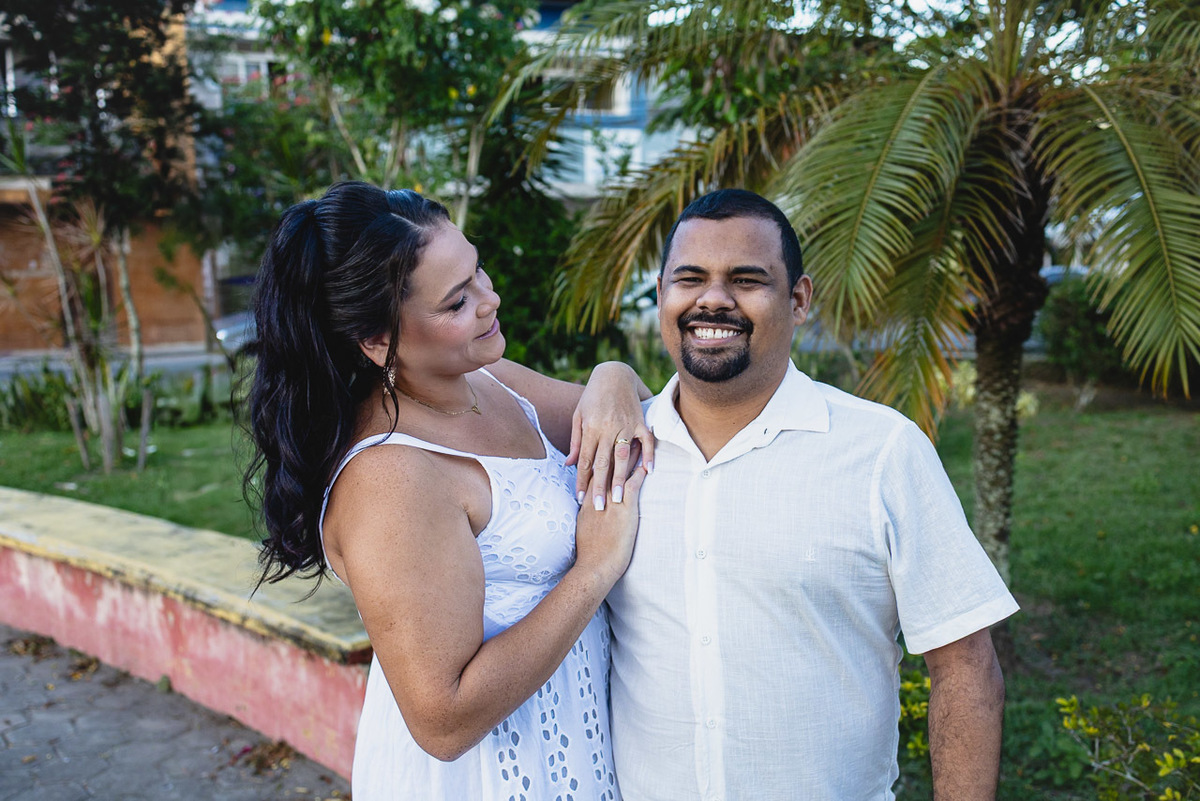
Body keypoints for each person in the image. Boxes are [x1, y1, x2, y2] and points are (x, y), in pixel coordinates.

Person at [605, 189, 1019, 800]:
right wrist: (606, 378)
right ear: (663, 293)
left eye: (746, 280)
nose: (712, 299)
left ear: (798, 300)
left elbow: (965, 668)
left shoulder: (882, 451)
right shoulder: (613, 453)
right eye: (689, 278)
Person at [244, 181, 652, 800]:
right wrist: (594, 569)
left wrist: (613, 375)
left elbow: (632, 419)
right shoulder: (391, 479)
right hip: (490, 778)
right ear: (377, 340)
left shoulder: (487, 380)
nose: (489, 300)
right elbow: (443, 719)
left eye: (478, 272)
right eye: (457, 301)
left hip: (576, 746)